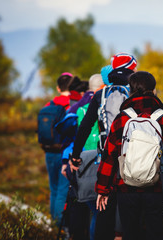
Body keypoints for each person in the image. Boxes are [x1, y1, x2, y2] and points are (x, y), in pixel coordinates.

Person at [95, 71, 163, 240]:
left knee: (131, 235)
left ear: (130, 91)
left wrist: (103, 189)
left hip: (126, 189)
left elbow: (109, 157)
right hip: (158, 190)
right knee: (158, 235)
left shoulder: (121, 119)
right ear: (154, 90)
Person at [69, 53, 137, 240]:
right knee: (128, 211)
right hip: (130, 161)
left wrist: (75, 155)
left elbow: (85, 126)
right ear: (131, 69)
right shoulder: (134, 92)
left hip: (106, 160)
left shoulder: (101, 94)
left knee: (104, 208)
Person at [61, 73, 104, 240]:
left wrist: (67, 161)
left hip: (80, 165)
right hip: (100, 164)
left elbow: (68, 140)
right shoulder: (106, 103)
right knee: (99, 212)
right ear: (102, 87)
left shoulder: (76, 109)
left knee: (86, 207)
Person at [42, 72, 73, 225]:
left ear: (58, 88)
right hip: (63, 154)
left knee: (53, 190)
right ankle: (60, 227)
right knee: (62, 191)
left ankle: (53, 224)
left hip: (49, 151)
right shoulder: (72, 104)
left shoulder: (49, 105)